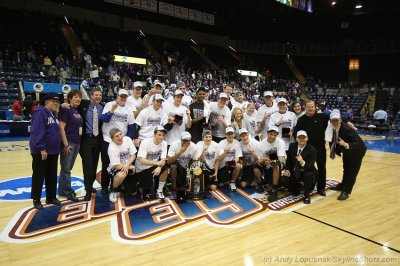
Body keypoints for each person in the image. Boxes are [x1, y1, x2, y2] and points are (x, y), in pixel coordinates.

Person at [29, 93, 61, 209]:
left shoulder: (53, 114)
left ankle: (51, 197)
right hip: (42, 151)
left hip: (53, 151)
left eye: (57, 102)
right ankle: (36, 199)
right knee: (39, 175)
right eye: (53, 101)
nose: (56, 103)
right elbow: (37, 132)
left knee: (51, 175)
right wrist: (41, 148)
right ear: (46, 102)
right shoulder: (40, 112)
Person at [100, 89, 136, 193]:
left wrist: (127, 140)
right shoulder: (109, 105)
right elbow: (104, 119)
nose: (123, 98)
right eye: (121, 96)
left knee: (122, 164)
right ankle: (104, 186)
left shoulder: (129, 109)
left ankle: (117, 186)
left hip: (121, 140)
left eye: (125, 96)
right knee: (107, 164)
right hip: (108, 139)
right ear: (117, 96)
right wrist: (111, 111)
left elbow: (131, 126)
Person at [326, 112, 367, 201]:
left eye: (336, 120)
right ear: (330, 121)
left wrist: (346, 144)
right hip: (347, 151)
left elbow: (357, 142)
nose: (335, 122)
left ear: (340, 120)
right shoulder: (332, 127)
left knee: (352, 172)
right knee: (346, 169)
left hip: (357, 151)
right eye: (333, 120)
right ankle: (342, 186)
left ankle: (346, 192)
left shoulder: (347, 129)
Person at [294, 100, 329, 197]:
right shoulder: (301, 119)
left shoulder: (322, 117)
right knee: (307, 168)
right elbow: (295, 132)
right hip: (307, 149)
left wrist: (347, 121)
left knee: (322, 168)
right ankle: (307, 185)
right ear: (305, 108)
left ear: (315, 107)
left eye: (312, 107)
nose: (310, 109)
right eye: (308, 107)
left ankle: (321, 188)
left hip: (320, 148)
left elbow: (335, 119)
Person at [78, 87, 104, 201]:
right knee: (87, 165)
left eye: (99, 95)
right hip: (86, 140)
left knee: (94, 165)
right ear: (91, 95)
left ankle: (90, 185)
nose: (98, 97)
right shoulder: (83, 104)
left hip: (98, 140)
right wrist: (65, 104)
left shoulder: (102, 107)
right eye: (96, 95)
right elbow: (72, 105)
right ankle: (87, 191)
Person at [58, 90, 83, 202]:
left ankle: (62, 190)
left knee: (67, 168)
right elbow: (61, 127)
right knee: (66, 169)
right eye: (75, 97)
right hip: (69, 143)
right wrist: (66, 144)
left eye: (79, 97)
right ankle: (68, 192)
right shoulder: (65, 109)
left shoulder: (76, 110)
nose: (78, 99)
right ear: (70, 98)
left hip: (77, 142)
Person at [281, 130, 317, 204]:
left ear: (307, 138)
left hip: (306, 172)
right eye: (299, 137)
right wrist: (287, 170)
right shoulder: (292, 146)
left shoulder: (312, 149)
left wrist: (302, 161)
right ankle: (297, 187)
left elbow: (310, 167)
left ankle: (306, 195)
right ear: (296, 139)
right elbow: (289, 160)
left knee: (308, 175)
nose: (301, 139)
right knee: (283, 179)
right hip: (295, 172)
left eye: (303, 137)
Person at [135, 125, 169, 200]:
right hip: (142, 168)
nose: (161, 137)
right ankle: (139, 184)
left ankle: (159, 191)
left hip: (155, 166)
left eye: (163, 135)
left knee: (165, 168)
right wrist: (157, 164)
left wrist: (159, 167)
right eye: (159, 135)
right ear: (154, 134)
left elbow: (163, 159)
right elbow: (142, 160)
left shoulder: (164, 143)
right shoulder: (145, 142)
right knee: (146, 195)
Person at [107, 128, 137, 203]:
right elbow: (117, 165)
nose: (120, 137)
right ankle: (114, 190)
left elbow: (133, 155)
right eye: (117, 136)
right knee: (121, 175)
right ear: (112, 139)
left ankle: (124, 185)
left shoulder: (128, 139)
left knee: (133, 193)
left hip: (127, 165)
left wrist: (127, 165)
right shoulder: (111, 147)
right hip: (116, 167)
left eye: (120, 134)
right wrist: (130, 167)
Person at [256, 126, 286, 201]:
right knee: (256, 167)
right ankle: (261, 183)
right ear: (267, 133)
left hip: (278, 163)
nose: (272, 137)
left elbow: (281, 159)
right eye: (271, 134)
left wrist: (275, 163)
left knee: (275, 165)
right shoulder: (261, 144)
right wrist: (264, 160)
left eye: (275, 135)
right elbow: (259, 160)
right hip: (267, 164)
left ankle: (275, 189)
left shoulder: (280, 142)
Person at [217, 127, 243, 191]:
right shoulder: (221, 143)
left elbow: (238, 156)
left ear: (234, 134)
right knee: (220, 185)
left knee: (238, 165)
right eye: (228, 134)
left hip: (231, 164)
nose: (230, 135)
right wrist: (225, 152)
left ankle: (232, 182)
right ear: (226, 135)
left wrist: (234, 161)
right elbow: (219, 158)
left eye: (231, 133)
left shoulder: (237, 142)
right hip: (223, 165)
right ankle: (225, 180)